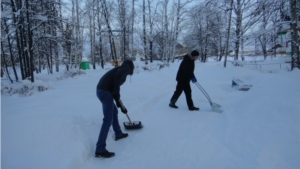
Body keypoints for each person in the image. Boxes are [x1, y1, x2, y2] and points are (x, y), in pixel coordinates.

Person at [95, 60, 134, 158]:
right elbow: (116, 79)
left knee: (114, 112)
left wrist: (119, 103)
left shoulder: (119, 69)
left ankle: (118, 133)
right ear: (130, 67)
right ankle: (100, 149)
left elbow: (112, 85)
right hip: (104, 91)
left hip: (102, 91)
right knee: (107, 119)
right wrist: (117, 95)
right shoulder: (124, 68)